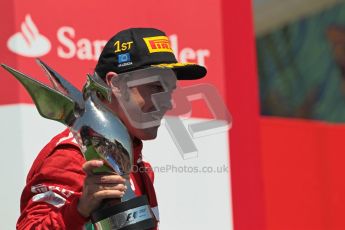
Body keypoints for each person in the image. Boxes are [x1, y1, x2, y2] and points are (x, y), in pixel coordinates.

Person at [16, 28, 206, 229]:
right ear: (116, 84)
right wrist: (80, 209)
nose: (168, 103)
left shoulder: (136, 165)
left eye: (170, 90)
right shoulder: (75, 155)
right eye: (157, 87)